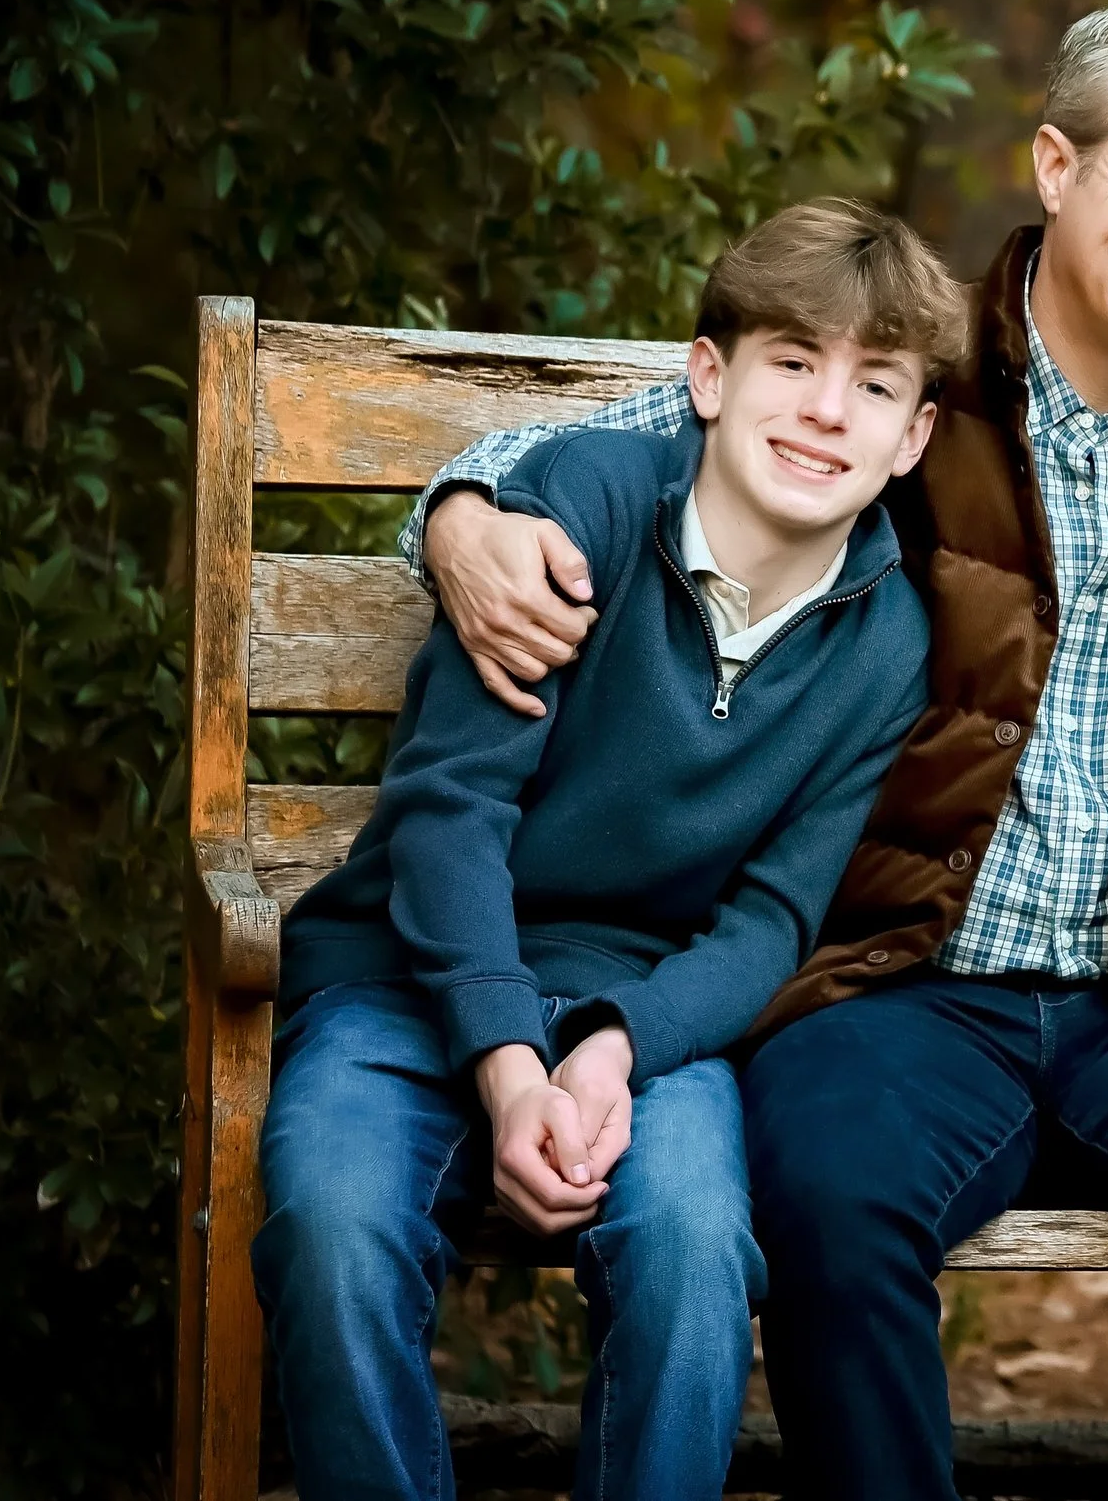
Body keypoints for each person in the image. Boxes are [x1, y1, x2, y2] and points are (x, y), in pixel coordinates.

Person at [395, 0, 1108, 1501]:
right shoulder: (897, 371)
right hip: (902, 974)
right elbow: (587, 448)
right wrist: (464, 521)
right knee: (828, 1197)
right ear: (1058, 165)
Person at [252, 200, 964, 1501]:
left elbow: (770, 918)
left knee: (697, 1246)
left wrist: (616, 1045)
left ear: (914, 435)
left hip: (639, 1006)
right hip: (406, 970)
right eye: (793, 363)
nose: (825, 410)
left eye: (873, 385)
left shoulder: (887, 640)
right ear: (707, 375)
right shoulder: (579, 507)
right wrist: (513, 1068)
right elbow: (452, 808)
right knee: (332, 1219)